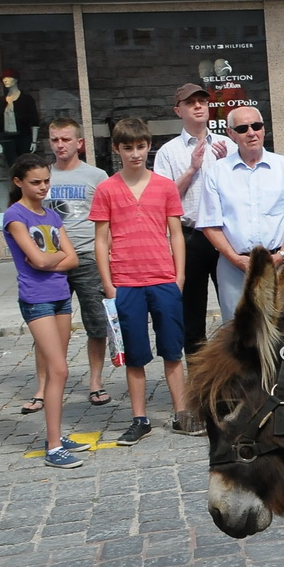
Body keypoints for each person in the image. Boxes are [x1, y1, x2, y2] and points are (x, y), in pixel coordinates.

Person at [92, 117, 199, 443]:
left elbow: (176, 234)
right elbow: (100, 239)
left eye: (140, 146)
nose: (135, 154)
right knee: (135, 354)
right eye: (128, 148)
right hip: (126, 281)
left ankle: (181, 413)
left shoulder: (165, 186)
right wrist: (109, 283)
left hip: (163, 279)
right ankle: (140, 418)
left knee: (172, 350)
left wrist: (179, 275)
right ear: (116, 149)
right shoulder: (106, 189)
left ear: (148, 146)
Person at [4, 155, 89, 469]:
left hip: (60, 296)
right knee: (59, 369)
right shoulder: (15, 215)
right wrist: (53, 259)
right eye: (35, 182)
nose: (43, 187)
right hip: (36, 298)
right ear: (19, 183)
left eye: (46, 181)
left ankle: (56, 434)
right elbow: (39, 262)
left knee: (59, 370)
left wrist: (48, 259)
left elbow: (73, 260)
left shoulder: (51, 215)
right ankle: (53, 447)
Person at [196, 107, 284, 321]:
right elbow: (209, 224)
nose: (251, 132)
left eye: (256, 126)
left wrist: (282, 254)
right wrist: (235, 259)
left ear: (263, 129)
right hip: (234, 268)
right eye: (242, 128)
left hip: (280, 262)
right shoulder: (217, 173)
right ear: (231, 134)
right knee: (237, 335)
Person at [153, 83, 234, 354]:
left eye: (203, 101)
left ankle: (235, 376)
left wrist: (227, 168)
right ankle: (200, 382)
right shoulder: (169, 151)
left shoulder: (228, 145)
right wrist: (191, 169)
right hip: (190, 237)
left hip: (225, 236)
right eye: (191, 103)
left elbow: (242, 193)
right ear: (179, 110)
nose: (199, 106)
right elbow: (163, 198)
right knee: (192, 314)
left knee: (234, 309)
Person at [44, 118, 111, 410]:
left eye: (66, 139)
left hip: (87, 257)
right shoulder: (42, 176)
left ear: (79, 143)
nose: (60, 145)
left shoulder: (97, 176)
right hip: (51, 261)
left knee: (96, 324)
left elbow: (109, 220)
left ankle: (95, 381)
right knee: (47, 325)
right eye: (55, 139)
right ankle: (46, 383)